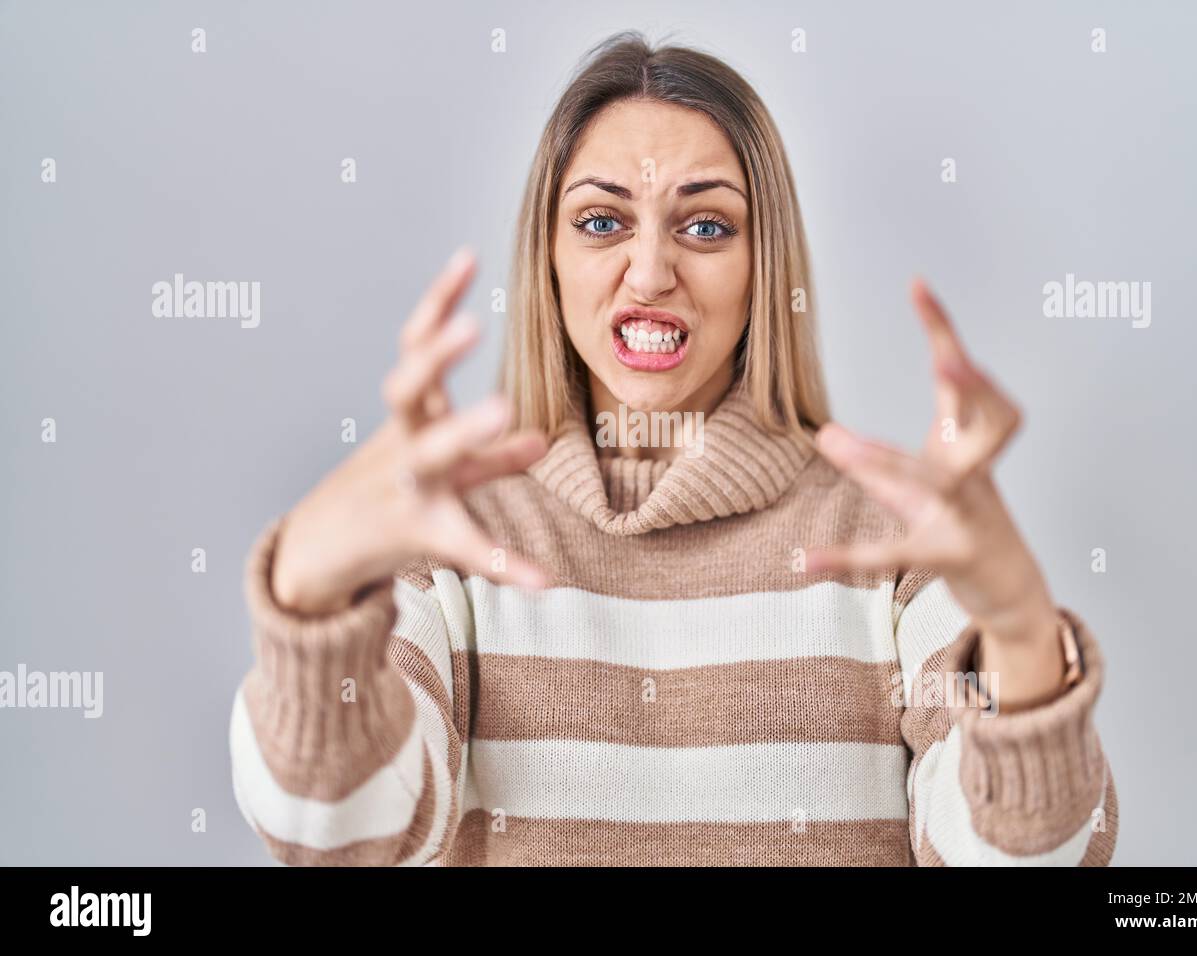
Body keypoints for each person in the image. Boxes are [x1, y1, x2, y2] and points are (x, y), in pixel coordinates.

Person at [229, 31, 1117, 866]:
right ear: (546, 256)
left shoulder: (891, 539)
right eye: (602, 222)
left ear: (765, 266)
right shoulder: (454, 539)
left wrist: (1017, 625)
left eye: (705, 227)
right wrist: (308, 594)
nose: (650, 273)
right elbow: (343, 839)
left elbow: (1024, 856)